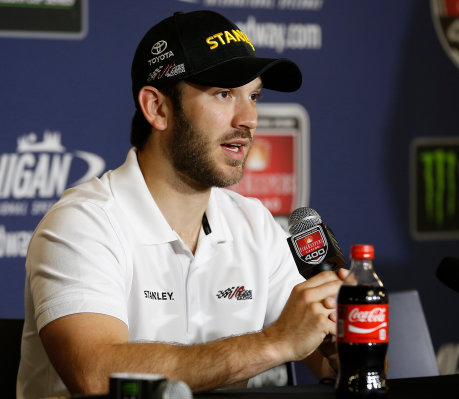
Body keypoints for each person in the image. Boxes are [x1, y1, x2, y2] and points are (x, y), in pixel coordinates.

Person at [16, 10, 345, 399]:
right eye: (224, 94)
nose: (250, 118)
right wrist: (274, 342)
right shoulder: (82, 224)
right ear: (157, 108)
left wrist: (353, 334)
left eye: (253, 95)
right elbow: (96, 375)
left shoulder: (255, 226)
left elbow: (339, 365)